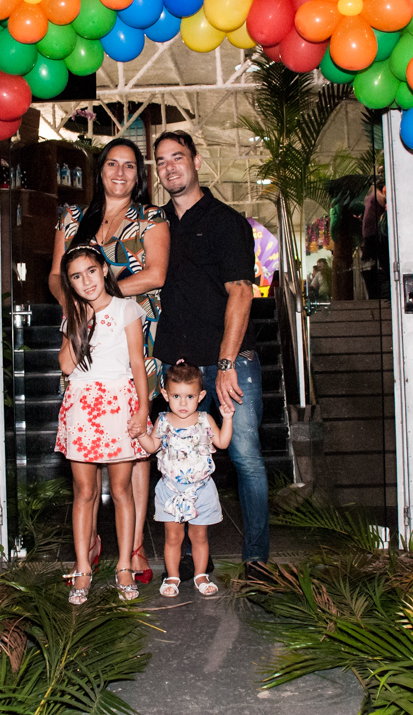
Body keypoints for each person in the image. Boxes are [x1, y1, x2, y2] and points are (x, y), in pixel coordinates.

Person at [152, 130, 270, 577]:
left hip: (229, 362)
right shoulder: (156, 224)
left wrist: (224, 364)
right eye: (161, 161)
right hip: (176, 368)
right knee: (176, 461)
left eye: (177, 157)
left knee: (245, 458)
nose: (169, 167)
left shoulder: (225, 221)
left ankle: (256, 558)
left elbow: (241, 291)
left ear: (197, 161)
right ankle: (185, 557)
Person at [49, 138, 167, 584]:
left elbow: (156, 274)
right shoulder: (73, 217)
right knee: (86, 439)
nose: (120, 172)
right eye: (112, 164)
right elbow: (57, 274)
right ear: (99, 170)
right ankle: (92, 545)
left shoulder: (151, 217)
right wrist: (76, 308)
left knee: (133, 447)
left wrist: (105, 301)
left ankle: (133, 548)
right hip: (82, 335)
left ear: (140, 175)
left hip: (136, 331)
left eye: (130, 166)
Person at [55, 245, 151, 604]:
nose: (86, 281)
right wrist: (77, 322)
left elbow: (138, 365)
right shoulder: (74, 317)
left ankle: (124, 565)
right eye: (77, 277)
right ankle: (83, 567)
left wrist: (141, 411)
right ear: (71, 284)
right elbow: (66, 366)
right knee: (84, 492)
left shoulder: (127, 308)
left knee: (122, 489)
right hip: (82, 405)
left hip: (119, 403)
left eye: (91, 271)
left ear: (104, 270)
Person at [136, 362, 234, 597]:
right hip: (171, 490)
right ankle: (172, 576)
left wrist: (227, 419)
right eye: (177, 396)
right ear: (166, 394)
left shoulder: (205, 419)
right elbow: (151, 447)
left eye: (189, 396)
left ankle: (201, 574)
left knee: (199, 537)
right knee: (173, 538)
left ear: (200, 396)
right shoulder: (163, 421)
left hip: (201, 489)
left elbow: (222, 443)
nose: (182, 402)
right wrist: (140, 433)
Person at [362, 178, 389, 299]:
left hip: (371, 235)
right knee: (378, 264)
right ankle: (377, 295)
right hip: (374, 235)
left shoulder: (370, 198)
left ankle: (376, 295)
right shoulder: (375, 198)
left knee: (370, 266)